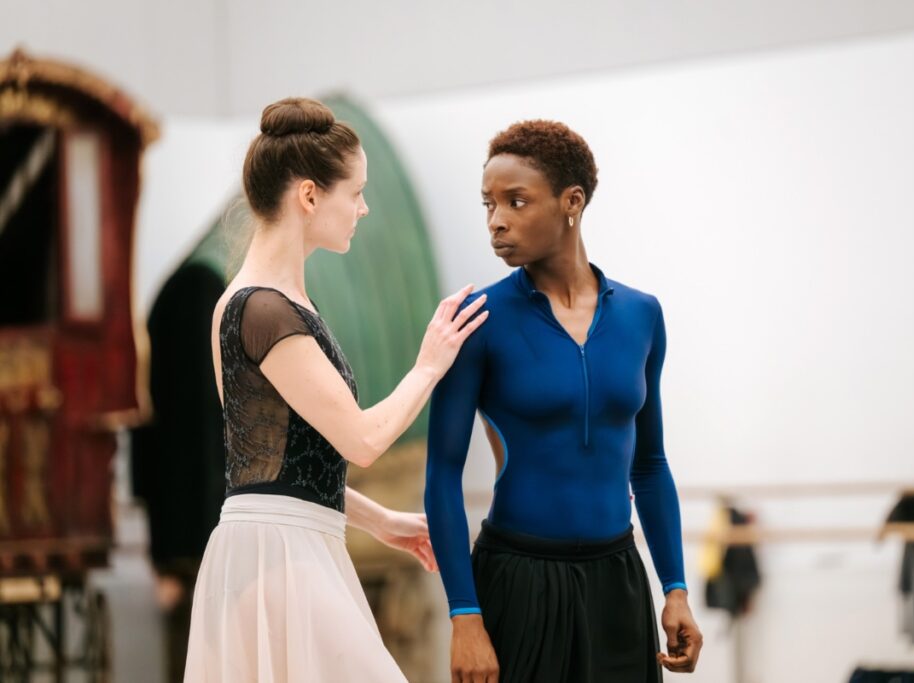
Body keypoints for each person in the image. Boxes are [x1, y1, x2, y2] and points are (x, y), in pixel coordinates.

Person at [183, 97, 488, 682]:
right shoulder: (263, 308)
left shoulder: (264, 304)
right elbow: (363, 441)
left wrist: (379, 521)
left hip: (284, 544)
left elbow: (286, 469)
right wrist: (429, 363)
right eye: (356, 192)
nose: (364, 207)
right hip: (279, 556)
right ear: (308, 196)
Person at [425, 120, 702, 682]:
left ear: (571, 202)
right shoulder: (475, 321)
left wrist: (674, 588)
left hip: (618, 580)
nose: (496, 220)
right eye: (488, 204)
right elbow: (441, 476)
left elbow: (649, 465)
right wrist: (464, 616)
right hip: (518, 581)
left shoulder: (642, 315)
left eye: (516, 201)